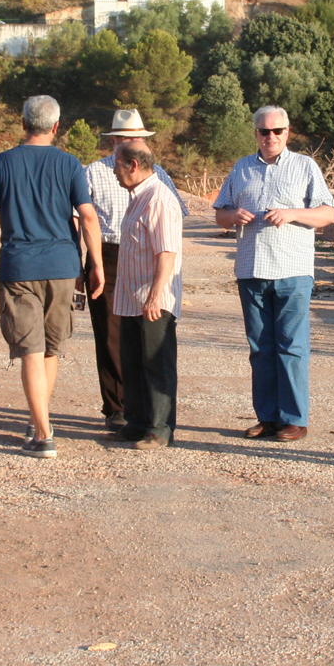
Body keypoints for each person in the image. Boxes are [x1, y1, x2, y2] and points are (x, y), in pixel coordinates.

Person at [0, 95, 104, 459]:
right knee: (50, 349)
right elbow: (88, 217)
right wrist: (96, 265)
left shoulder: (1, 164)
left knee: (29, 349)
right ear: (57, 127)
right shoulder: (70, 164)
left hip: (20, 267)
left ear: (23, 123)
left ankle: (43, 434)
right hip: (63, 267)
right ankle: (38, 420)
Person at [214, 105, 334, 443]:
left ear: (288, 132)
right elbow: (219, 215)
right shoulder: (242, 168)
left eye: (277, 131)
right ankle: (267, 418)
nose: (271, 137)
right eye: (264, 131)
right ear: (255, 133)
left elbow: (328, 214)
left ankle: (294, 419)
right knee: (261, 348)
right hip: (252, 269)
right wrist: (232, 216)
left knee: (292, 346)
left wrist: (292, 213)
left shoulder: (305, 166)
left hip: (293, 270)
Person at [83, 108, 188, 432]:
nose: (135, 145)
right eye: (129, 140)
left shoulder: (157, 189)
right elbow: (80, 220)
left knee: (152, 353)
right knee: (120, 345)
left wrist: (159, 291)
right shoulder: (101, 176)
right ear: (116, 142)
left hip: (148, 274)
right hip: (113, 263)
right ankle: (127, 414)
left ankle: (156, 425)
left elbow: (168, 243)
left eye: (139, 140)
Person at [110, 143, 183, 451]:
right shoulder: (138, 198)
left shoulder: (159, 199)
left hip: (153, 299)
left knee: (156, 363)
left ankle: (160, 428)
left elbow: (167, 251)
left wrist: (156, 295)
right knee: (133, 360)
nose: (114, 171)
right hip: (132, 298)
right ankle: (138, 421)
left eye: (118, 165)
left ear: (134, 165)